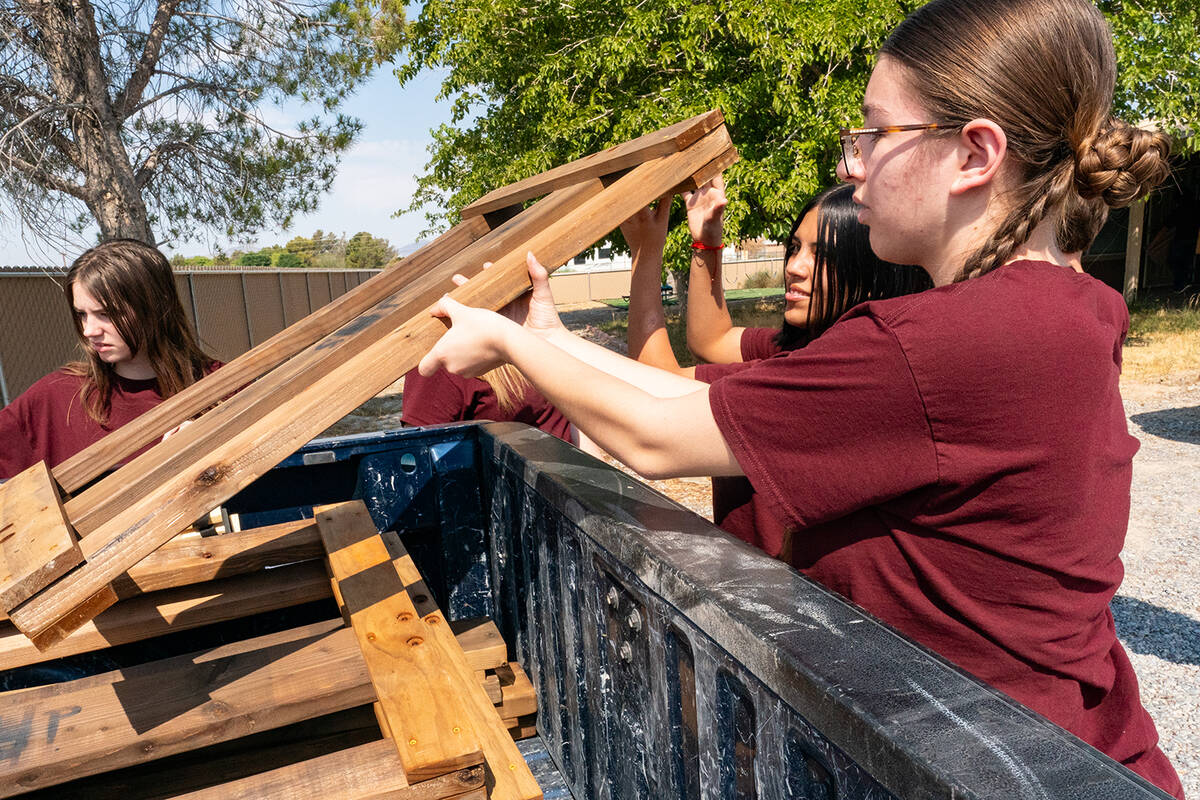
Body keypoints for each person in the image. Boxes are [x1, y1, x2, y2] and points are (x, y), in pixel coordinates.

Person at [417, 0, 1183, 792]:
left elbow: (652, 436)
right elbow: (709, 395)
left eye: (875, 134)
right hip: (1070, 752)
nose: (853, 164)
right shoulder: (1069, 305)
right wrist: (554, 342)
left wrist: (509, 344)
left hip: (982, 764)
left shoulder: (942, 341)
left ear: (974, 154)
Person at [622, 181, 929, 375]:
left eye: (823, 255)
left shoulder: (816, 372)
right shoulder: (803, 343)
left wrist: (646, 251)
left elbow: (656, 382)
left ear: (873, 274)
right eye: (794, 248)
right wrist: (707, 240)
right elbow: (710, 341)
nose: (794, 266)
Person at [0, 239, 218, 479]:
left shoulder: (224, 387)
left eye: (106, 314)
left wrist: (217, 440)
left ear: (155, 307)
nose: (89, 330)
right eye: (82, 314)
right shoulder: (57, 397)